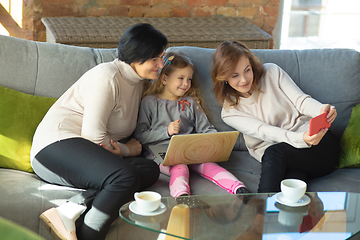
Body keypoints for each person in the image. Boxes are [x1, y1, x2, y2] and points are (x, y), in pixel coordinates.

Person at [30, 23, 168, 240]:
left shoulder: (137, 83)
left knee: (150, 169)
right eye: (155, 59)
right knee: (125, 177)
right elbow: (93, 137)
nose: (161, 64)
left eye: (162, 57)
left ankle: (68, 210)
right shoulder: (107, 76)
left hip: (88, 152)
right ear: (136, 56)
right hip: (55, 146)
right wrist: (126, 150)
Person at [211, 41, 339, 193]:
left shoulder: (271, 72)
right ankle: (273, 212)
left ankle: (260, 209)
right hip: (288, 157)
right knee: (292, 182)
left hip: (319, 147)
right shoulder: (230, 112)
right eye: (235, 75)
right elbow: (265, 131)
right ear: (224, 77)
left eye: (247, 70)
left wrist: (322, 110)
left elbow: (300, 100)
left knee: (275, 154)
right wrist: (301, 139)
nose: (244, 79)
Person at [134, 51, 249, 198]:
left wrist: (217, 141)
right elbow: (140, 135)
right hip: (161, 153)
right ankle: (181, 195)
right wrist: (166, 132)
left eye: (189, 79)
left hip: (189, 150)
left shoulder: (190, 103)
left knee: (209, 166)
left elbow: (205, 128)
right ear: (164, 79)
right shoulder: (149, 102)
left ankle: (239, 188)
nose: (186, 84)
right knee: (180, 167)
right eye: (181, 78)